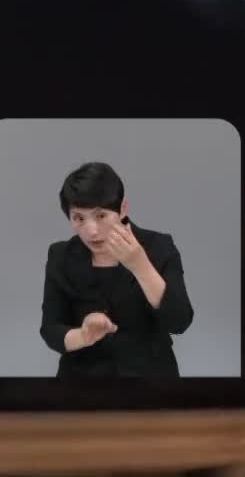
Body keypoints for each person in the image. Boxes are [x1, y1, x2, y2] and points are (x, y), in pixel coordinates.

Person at [38, 161, 194, 377]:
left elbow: (180, 322)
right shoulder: (60, 255)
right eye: (79, 218)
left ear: (122, 208)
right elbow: (50, 328)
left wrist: (140, 265)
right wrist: (83, 336)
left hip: (152, 381)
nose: (92, 231)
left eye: (101, 215)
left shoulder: (158, 246)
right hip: (81, 382)